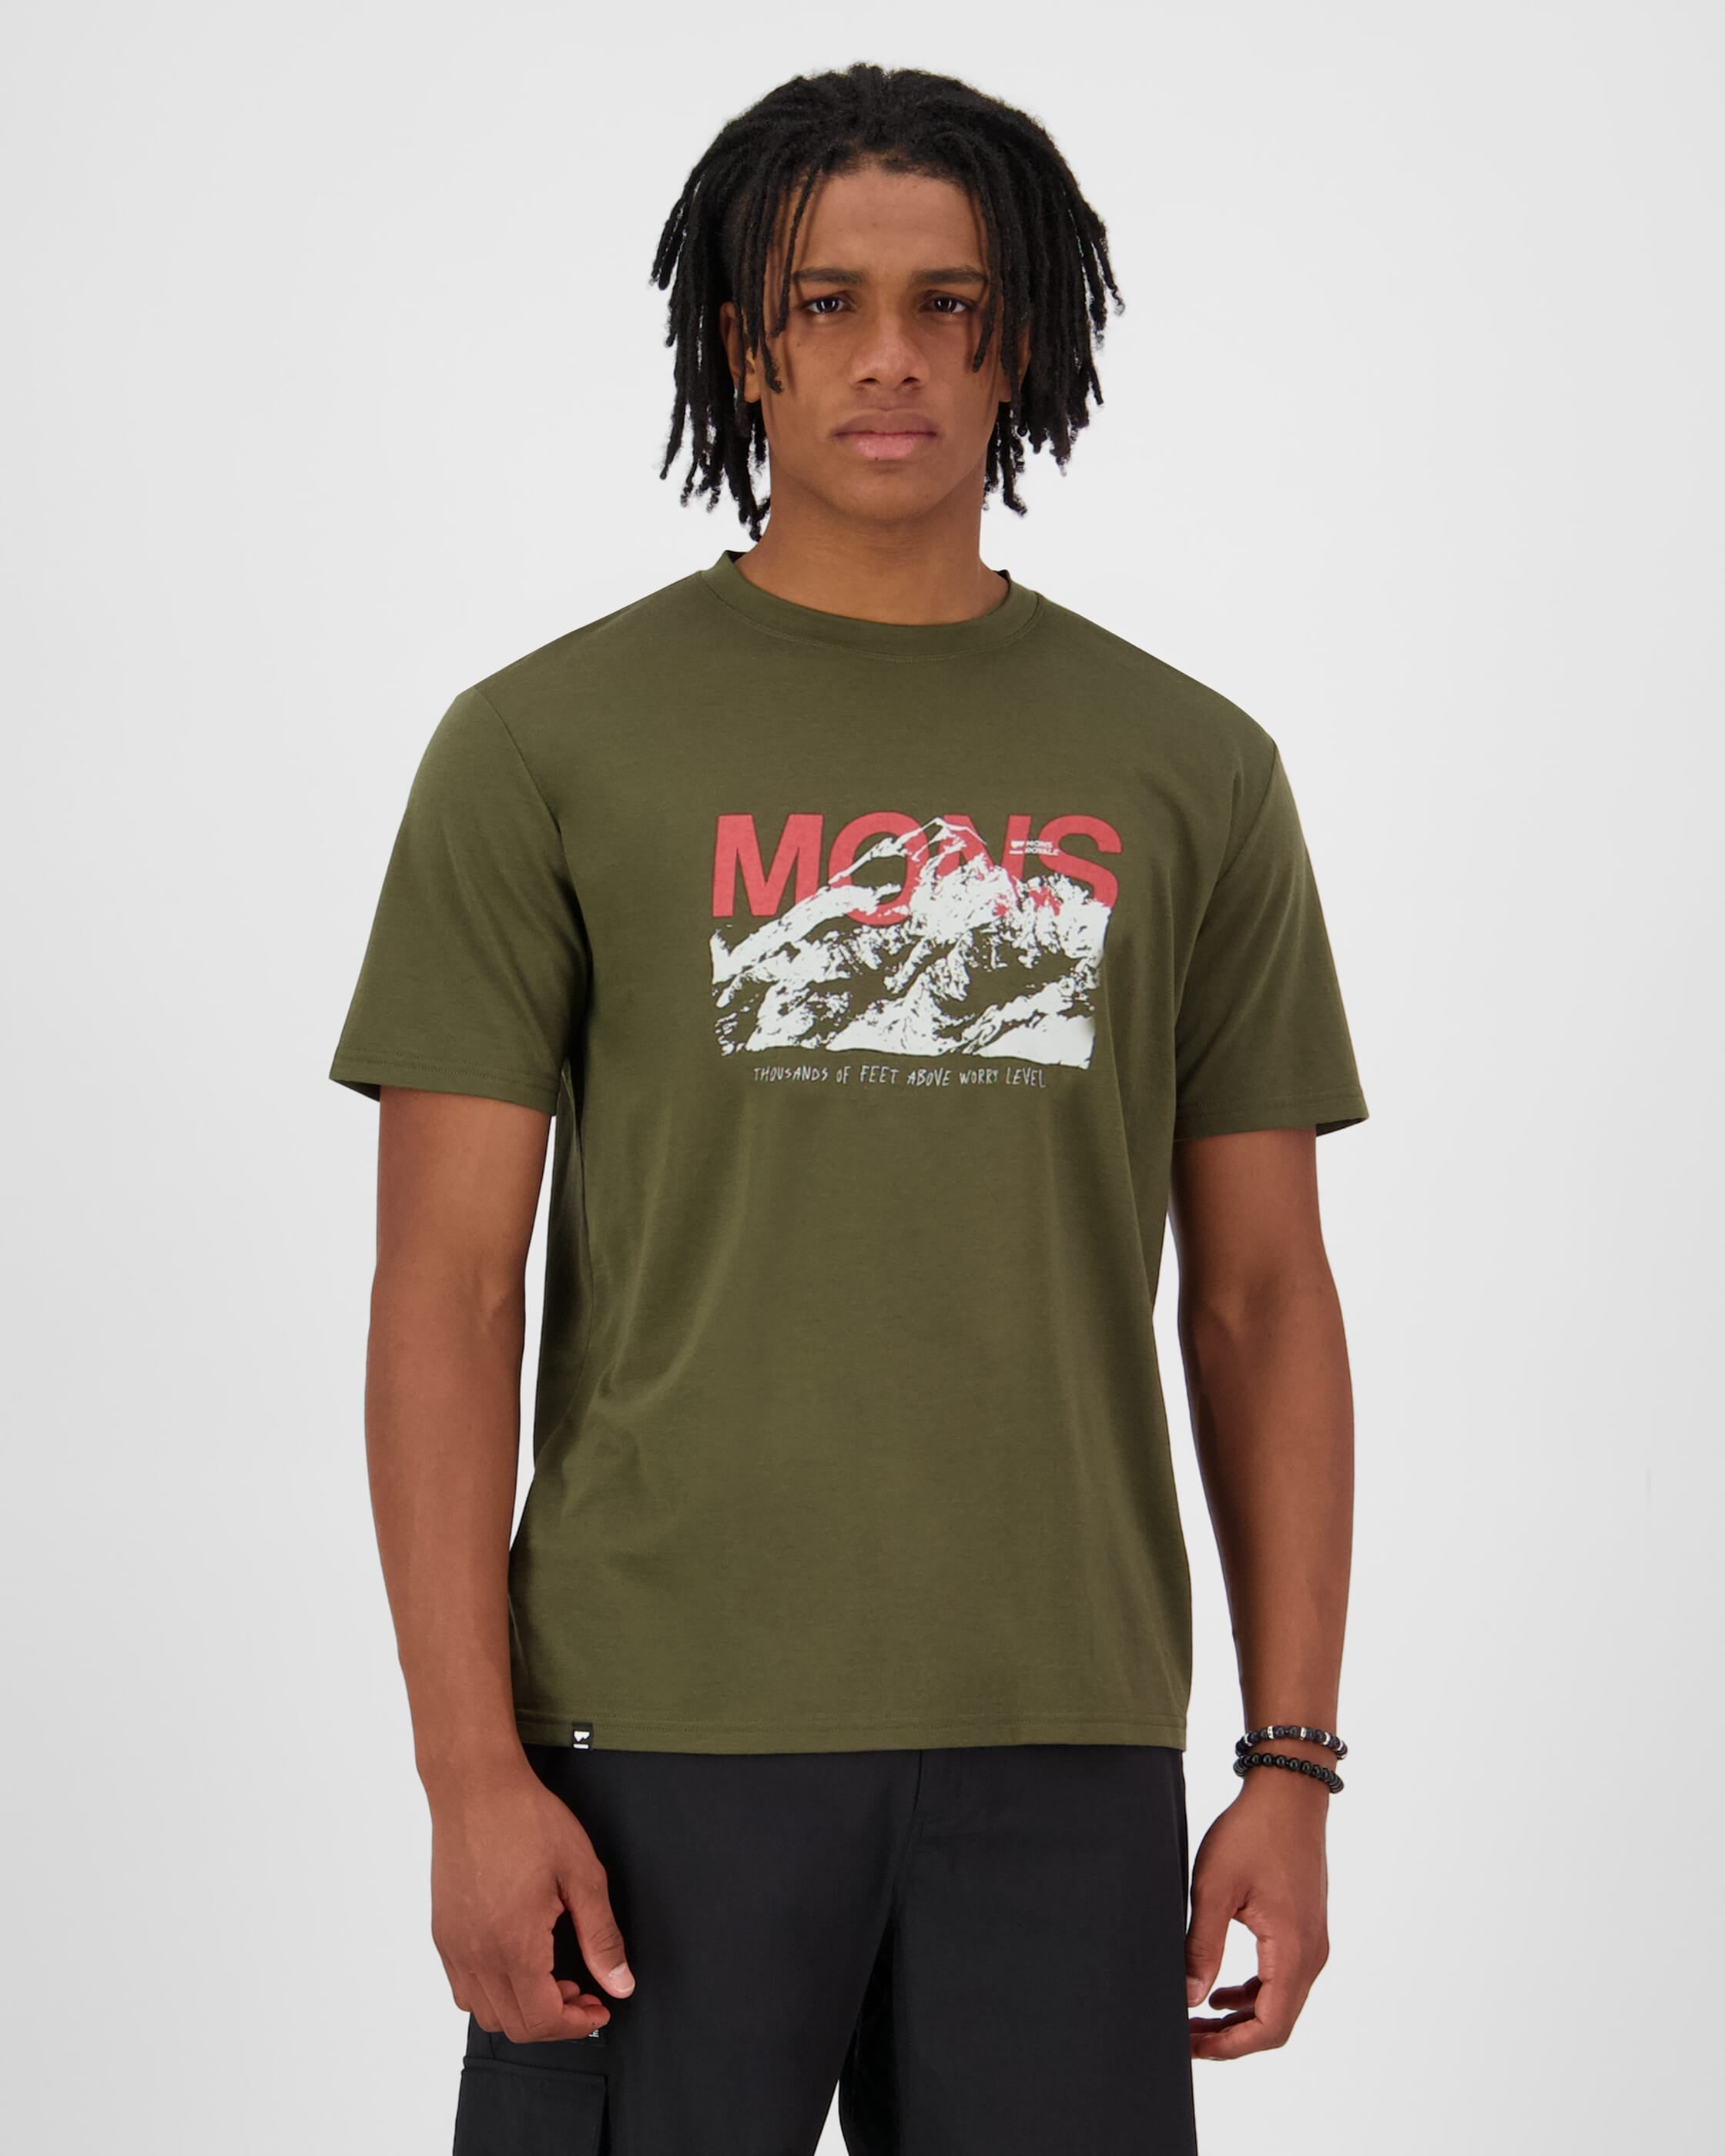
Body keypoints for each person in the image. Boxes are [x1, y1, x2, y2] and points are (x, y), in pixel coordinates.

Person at [331, 60, 1368, 2156]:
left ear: (1019, 344)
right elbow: (447, 1290)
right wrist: (468, 1773)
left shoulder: (1193, 769)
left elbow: (1264, 1299)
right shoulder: (544, 744)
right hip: (651, 1732)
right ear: (747, 345)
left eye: (947, 304)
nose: (889, 355)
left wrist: (1290, 1764)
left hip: (1065, 1741)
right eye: (827, 303)